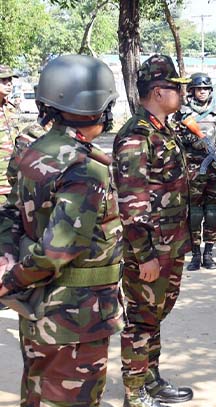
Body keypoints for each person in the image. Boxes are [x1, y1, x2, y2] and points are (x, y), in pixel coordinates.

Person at [0, 54, 123, 407]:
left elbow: (10, 214)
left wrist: (8, 266)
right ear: (101, 107)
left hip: (41, 310)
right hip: (76, 316)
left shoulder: (36, 151)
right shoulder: (84, 168)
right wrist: (11, 281)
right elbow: (58, 250)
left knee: (38, 394)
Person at [113, 54, 193, 407]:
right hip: (150, 250)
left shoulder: (163, 129)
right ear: (159, 92)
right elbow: (132, 202)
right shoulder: (136, 135)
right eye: (176, 88)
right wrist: (144, 255)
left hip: (170, 245)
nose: (181, 93)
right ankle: (134, 393)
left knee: (156, 315)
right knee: (141, 321)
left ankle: (151, 379)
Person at [178, 72, 216, 270]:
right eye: (198, 89)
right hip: (193, 170)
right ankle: (195, 254)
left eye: (205, 89)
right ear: (191, 91)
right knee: (194, 213)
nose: (202, 92)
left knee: (212, 212)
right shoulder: (182, 114)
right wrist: (193, 141)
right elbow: (175, 139)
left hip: (214, 170)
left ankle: (208, 253)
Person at [0, 64, 19, 205]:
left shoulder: (11, 109)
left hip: (13, 181)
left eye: (10, 80)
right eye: (3, 80)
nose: (9, 84)